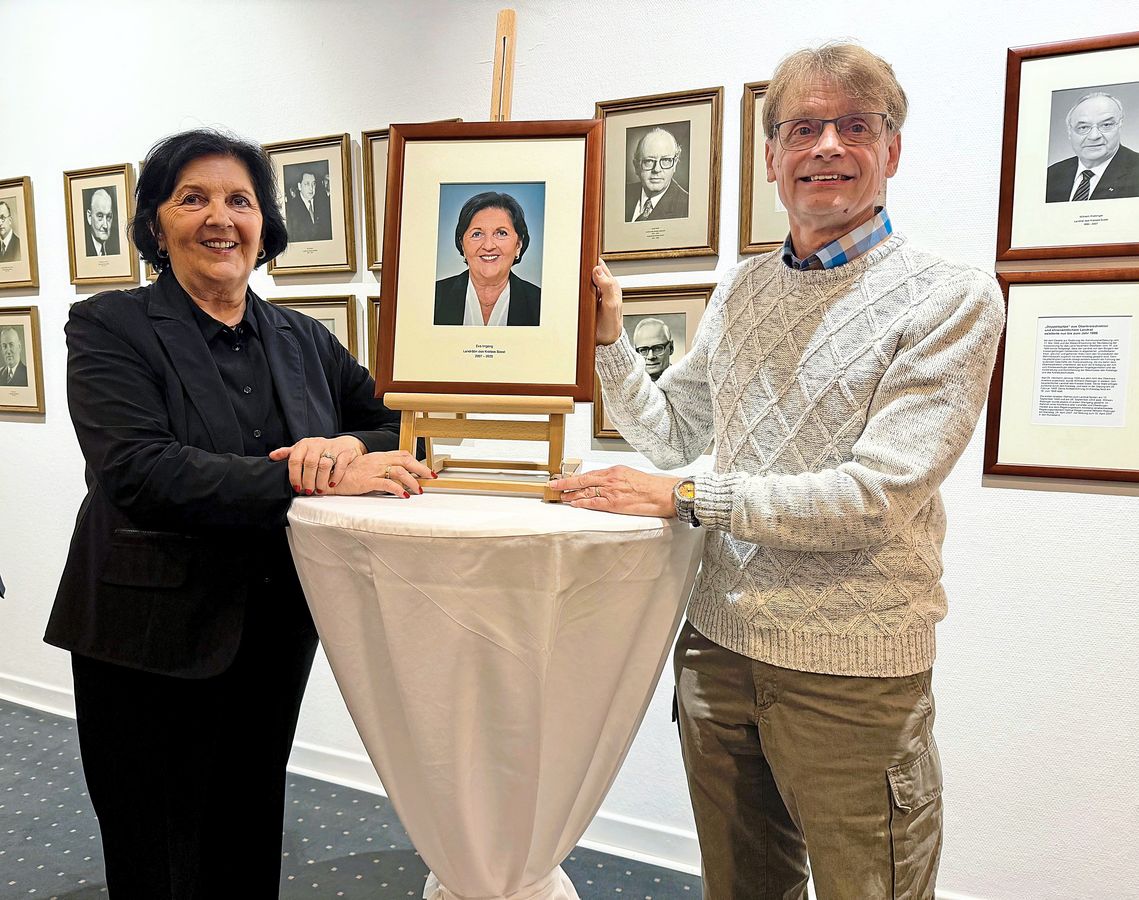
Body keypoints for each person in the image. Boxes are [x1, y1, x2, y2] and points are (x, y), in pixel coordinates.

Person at [552, 42, 1005, 899]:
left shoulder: (950, 298)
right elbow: (672, 433)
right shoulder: (745, 289)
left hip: (852, 674)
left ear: (892, 149)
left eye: (854, 126)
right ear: (770, 157)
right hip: (717, 654)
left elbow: (873, 497)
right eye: (802, 128)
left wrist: (685, 498)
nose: (826, 145)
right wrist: (609, 340)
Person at [45, 128, 434, 898]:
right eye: (192, 199)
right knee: (154, 849)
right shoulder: (108, 326)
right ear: (156, 225)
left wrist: (342, 448)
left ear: (264, 225)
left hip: (274, 628)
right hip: (146, 635)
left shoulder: (302, 338)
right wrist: (308, 479)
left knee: (248, 829)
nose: (220, 218)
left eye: (240, 201)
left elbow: (402, 424)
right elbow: (141, 470)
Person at [434, 190, 541, 326]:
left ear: (518, 245)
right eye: (477, 234)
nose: (488, 246)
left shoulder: (540, 302)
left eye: (501, 233)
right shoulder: (434, 296)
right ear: (462, 245)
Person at [1045, 91, 1139, 202]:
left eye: (1106, 125)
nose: (1094, 136)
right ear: (1069, 132)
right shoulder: (1051, 175)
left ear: (1120, 126)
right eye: (1083, 127)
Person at [624, 127, 690, 222]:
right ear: (636, 166)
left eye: (665, 160)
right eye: (649, 161)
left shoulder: (688, 206)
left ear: (675, 164)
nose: (657, 169)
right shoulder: (622, 195)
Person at [285, 168, 331, 241]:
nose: (311, 188)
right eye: (307, 184)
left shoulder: (323, 204)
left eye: (313, 184)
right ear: (299, 186)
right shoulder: (290, 208)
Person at [84, 188, 119, 256]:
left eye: (108, 217)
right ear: (89, 217)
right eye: (100, 216)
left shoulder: (116, 245)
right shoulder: (83, 248)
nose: (105, 225)